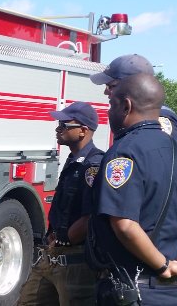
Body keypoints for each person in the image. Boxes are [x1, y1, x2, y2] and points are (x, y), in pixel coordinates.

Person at [87, 73, 177, 305]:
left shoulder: (124, 153)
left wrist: (163, 265)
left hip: (133, 290)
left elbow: (125, 225)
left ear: (126, 106)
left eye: (112, 105)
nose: (109, 112)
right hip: (174, 291)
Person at [17, 102, 104, 306]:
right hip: (52, 257)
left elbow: (90, 216)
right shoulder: (74, 160)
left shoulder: (93, 165)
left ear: (83, 131)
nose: (58, 129)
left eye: (64, 125)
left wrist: (63, 239)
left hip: (75, 263)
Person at [90, 53, 177, 150]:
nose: (106, 92)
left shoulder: (161, 121)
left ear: (133, 85)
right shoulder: (140, 118)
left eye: (111, 86)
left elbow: (165, 158)